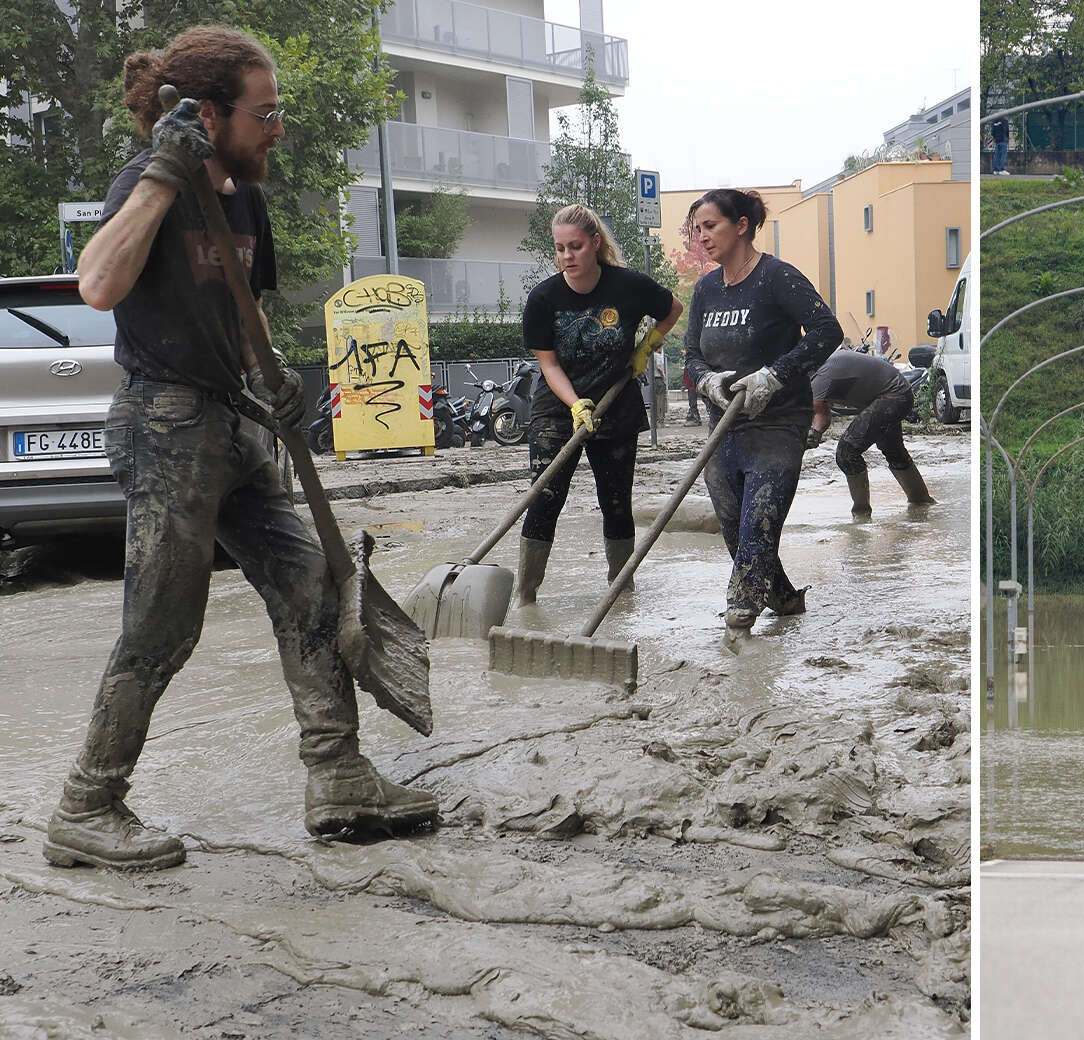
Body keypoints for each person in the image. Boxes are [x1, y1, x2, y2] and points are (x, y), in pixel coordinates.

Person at [46, 26, 437, 870]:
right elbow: (99, 285)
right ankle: (87, 805)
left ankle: (337, 777)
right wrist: (163, 171)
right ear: (207, 114)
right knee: (162, 625)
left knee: (314, 588)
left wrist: (274, 380)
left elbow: (241, 313)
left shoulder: (245, 200)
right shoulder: (149, 185)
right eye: (264, 112)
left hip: (236, 420)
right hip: (165, 426)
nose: (278, 126)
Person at [682, 188, 840, 644]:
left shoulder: (777, 279)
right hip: (725, 427)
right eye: (697, 230)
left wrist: (775, 373)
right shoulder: (706, 290)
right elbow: (692, 353)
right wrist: (706, 380)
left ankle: (739, 624)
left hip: (777, 423)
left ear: (742, 225)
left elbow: (828, 330)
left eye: (710, 226)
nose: (702, 237)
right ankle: (785, 599)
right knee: (735, 527)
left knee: (758, 520)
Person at [517, 204, 682, 604]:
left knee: (615, 501)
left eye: (575, 246)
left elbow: (672, 309)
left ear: (594, 244)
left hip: (616, 404)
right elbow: (549, 364)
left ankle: (621, 592)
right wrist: (575, 404)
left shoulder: (628, 286)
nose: (567, 256)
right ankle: (525, 595)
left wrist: (646, 347)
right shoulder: (543, 299)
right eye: (559, 248)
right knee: (545, 497)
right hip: (558, 409)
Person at [808, 347, 936, 518]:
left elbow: (822, 416)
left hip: (893, 396)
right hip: (897, 392)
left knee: (846, 452)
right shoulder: (821, 362)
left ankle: (861, 515)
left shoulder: (820, 375)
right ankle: (921, 502)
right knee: (893, 451)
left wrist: (813, 435)